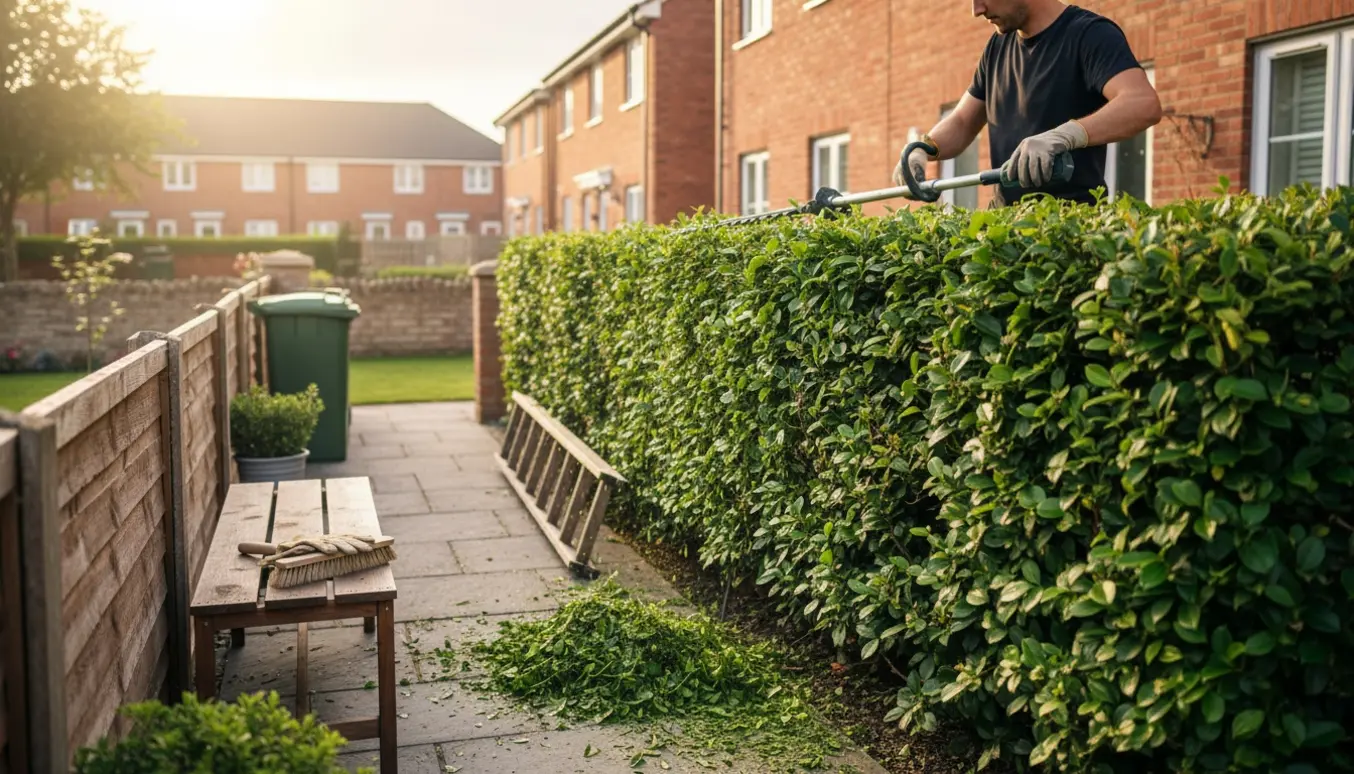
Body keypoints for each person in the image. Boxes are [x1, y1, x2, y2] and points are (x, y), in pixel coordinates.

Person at [893, 0, 1162, 208]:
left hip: (1069, 234)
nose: (977, 10)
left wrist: (1065, 136)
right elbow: (963, 120)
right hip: (1005, 233)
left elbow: (1141, 103)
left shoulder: (1089, 35)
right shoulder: (997, 47)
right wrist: (923, 149)